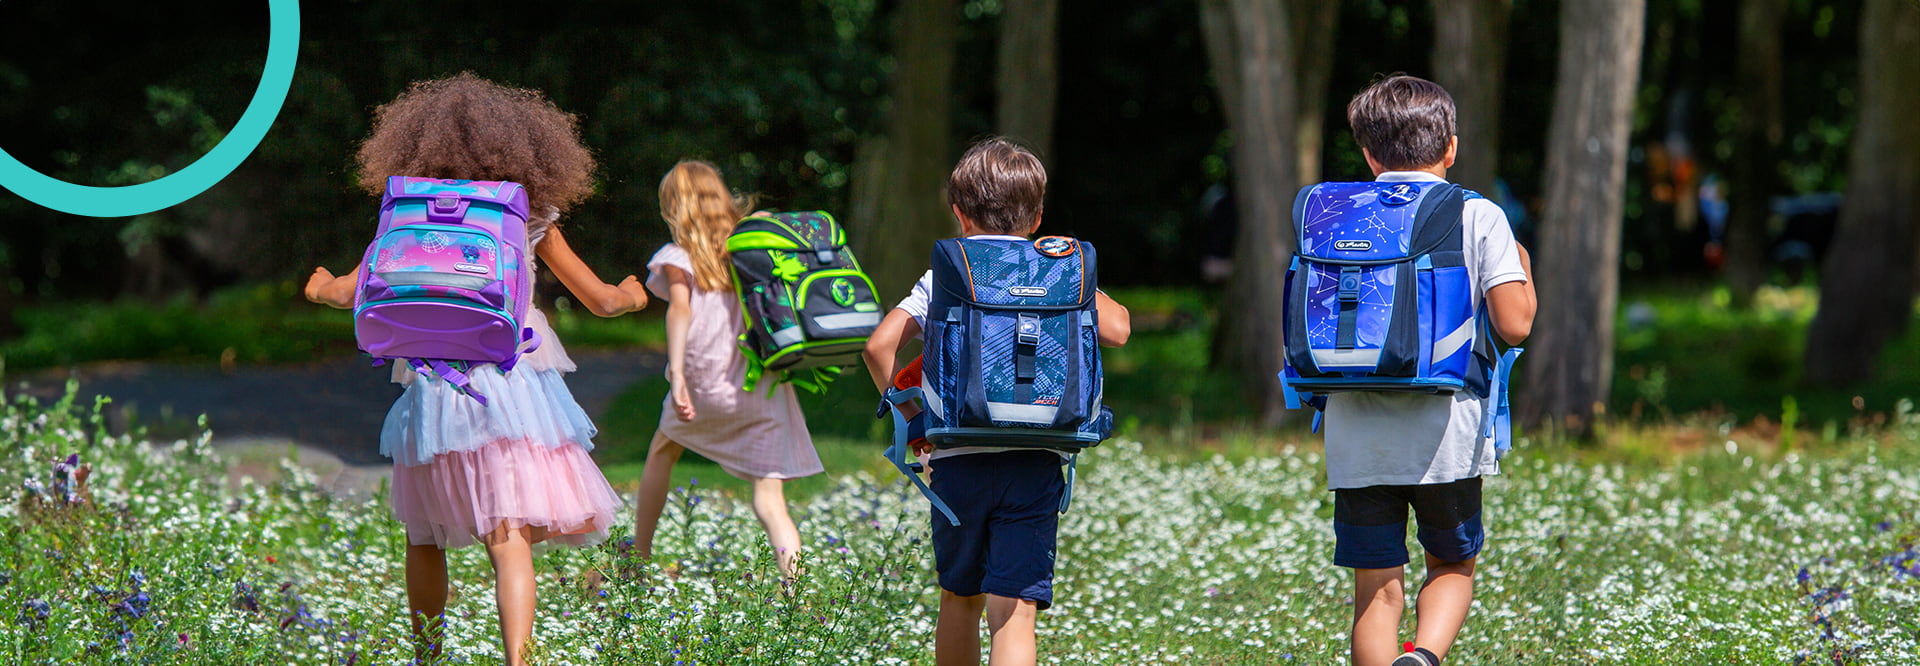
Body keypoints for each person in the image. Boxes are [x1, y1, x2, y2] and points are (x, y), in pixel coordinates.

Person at [303, 73, 644, 666]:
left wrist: (319, 286)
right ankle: (519, 658)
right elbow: (602, 300)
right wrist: (634, 295)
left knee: (423, 535)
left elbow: (346, 292)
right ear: (526, 147)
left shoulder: (405, 212)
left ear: (415, 146)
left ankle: (427, 656)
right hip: (508, 383)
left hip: (432, 387)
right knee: (507, 537)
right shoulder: (525, 212)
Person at [863, 138, 1131, 666]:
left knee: (959, 599)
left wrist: (912, 415)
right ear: (1035, 217)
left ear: (959, 215)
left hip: (957, 458)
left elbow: (878, 347)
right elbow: (1118, 329)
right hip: (1036, 455)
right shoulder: (1056, 268)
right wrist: (1067, 271)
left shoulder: (947, 270)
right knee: (1015, 611)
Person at [1326, 75, 1536, 666]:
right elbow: (1515, 324)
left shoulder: (1335, 213)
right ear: (1450, 147)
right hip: (1447, 429)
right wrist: (1523, 269)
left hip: (1355, 426)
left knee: (1375, 586)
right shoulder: (1478, 214)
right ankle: (1422, 659)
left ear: (1368, 154)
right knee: (1450, 562)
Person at [629, 161, 823, 580]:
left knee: (663, 451)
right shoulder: (751, 246)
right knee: (770, 498)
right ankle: (796, 588)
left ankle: (638, 556)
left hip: (706, 380)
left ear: (675, 207)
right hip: (760, 383)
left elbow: (680, 310)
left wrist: (677, 374)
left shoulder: (679, 256)